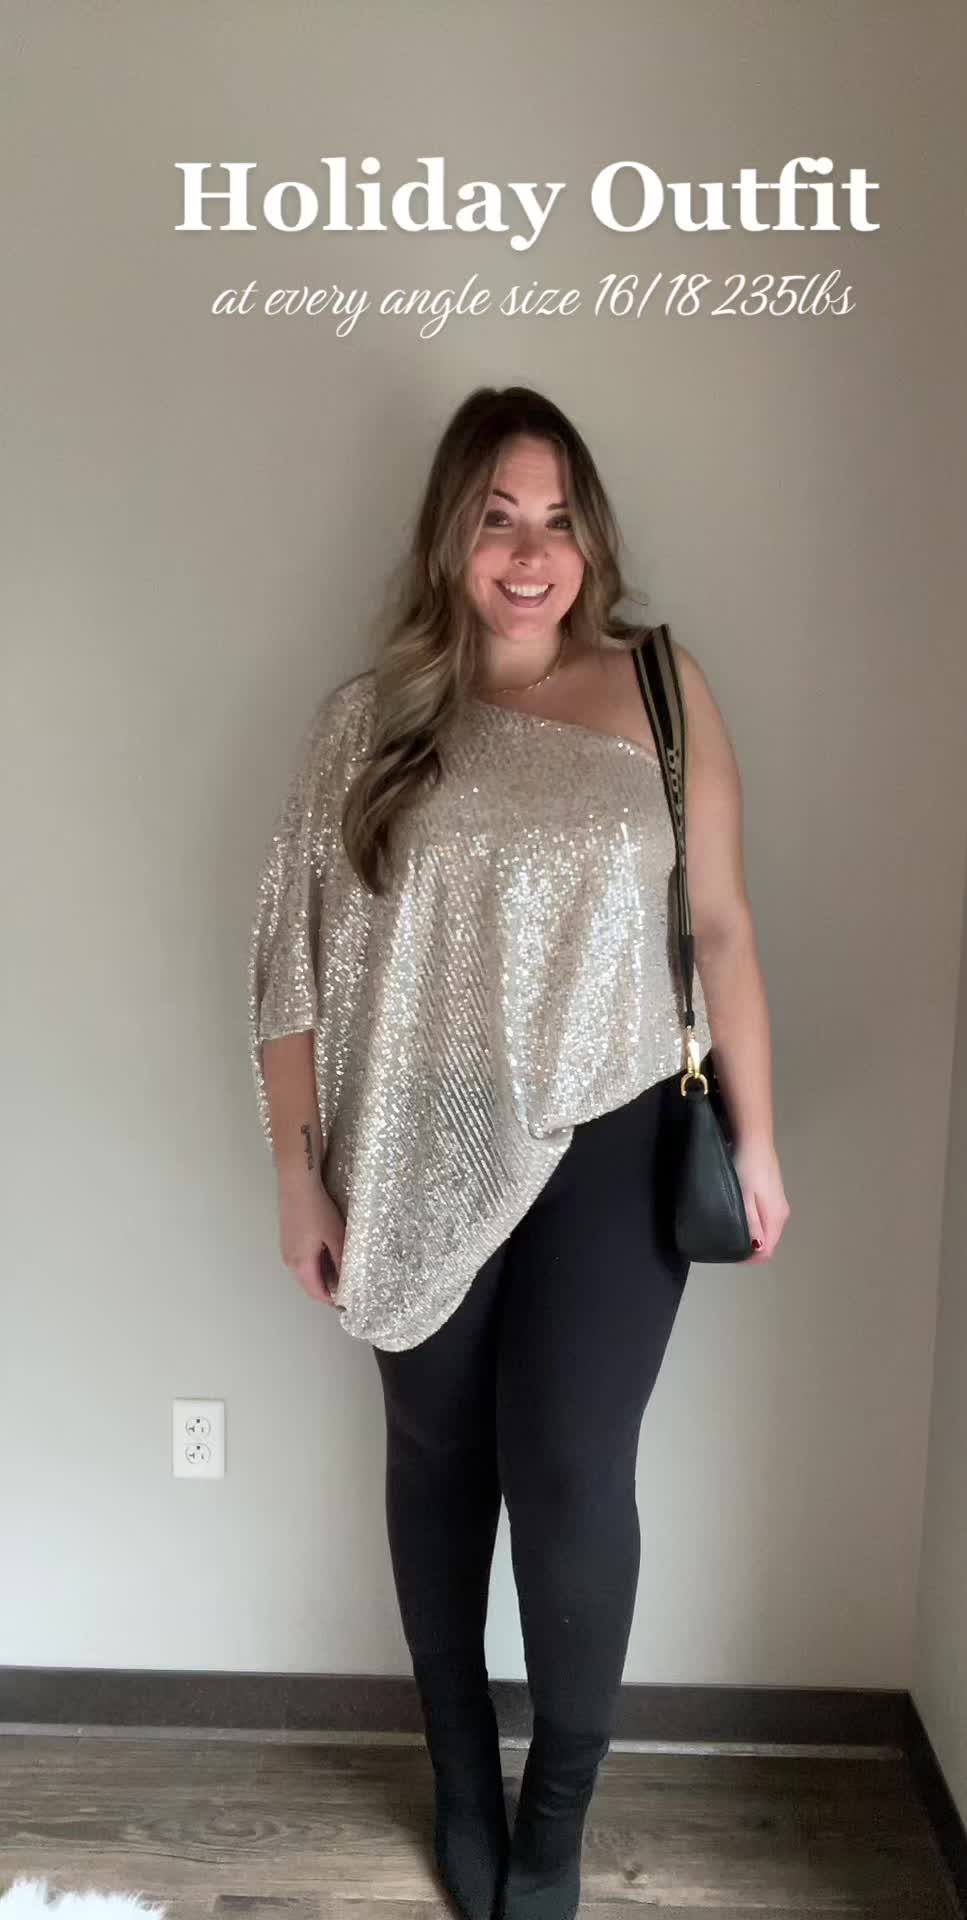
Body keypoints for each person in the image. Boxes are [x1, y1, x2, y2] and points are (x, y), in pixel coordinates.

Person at [247, 385, 790, 1920]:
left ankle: (555, 1817)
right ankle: (459, 1774)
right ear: (451, 537)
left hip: (616, 1128)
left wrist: (759, 1137)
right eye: (498, 519)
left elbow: (722, 925)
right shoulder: (366, 723)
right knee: (438, 1460)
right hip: (415, 1132)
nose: (531, 553)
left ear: (591, 539)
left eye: (557, 521)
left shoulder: (661, 687)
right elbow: (290, 966)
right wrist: (296, 1171)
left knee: (569, 1472)